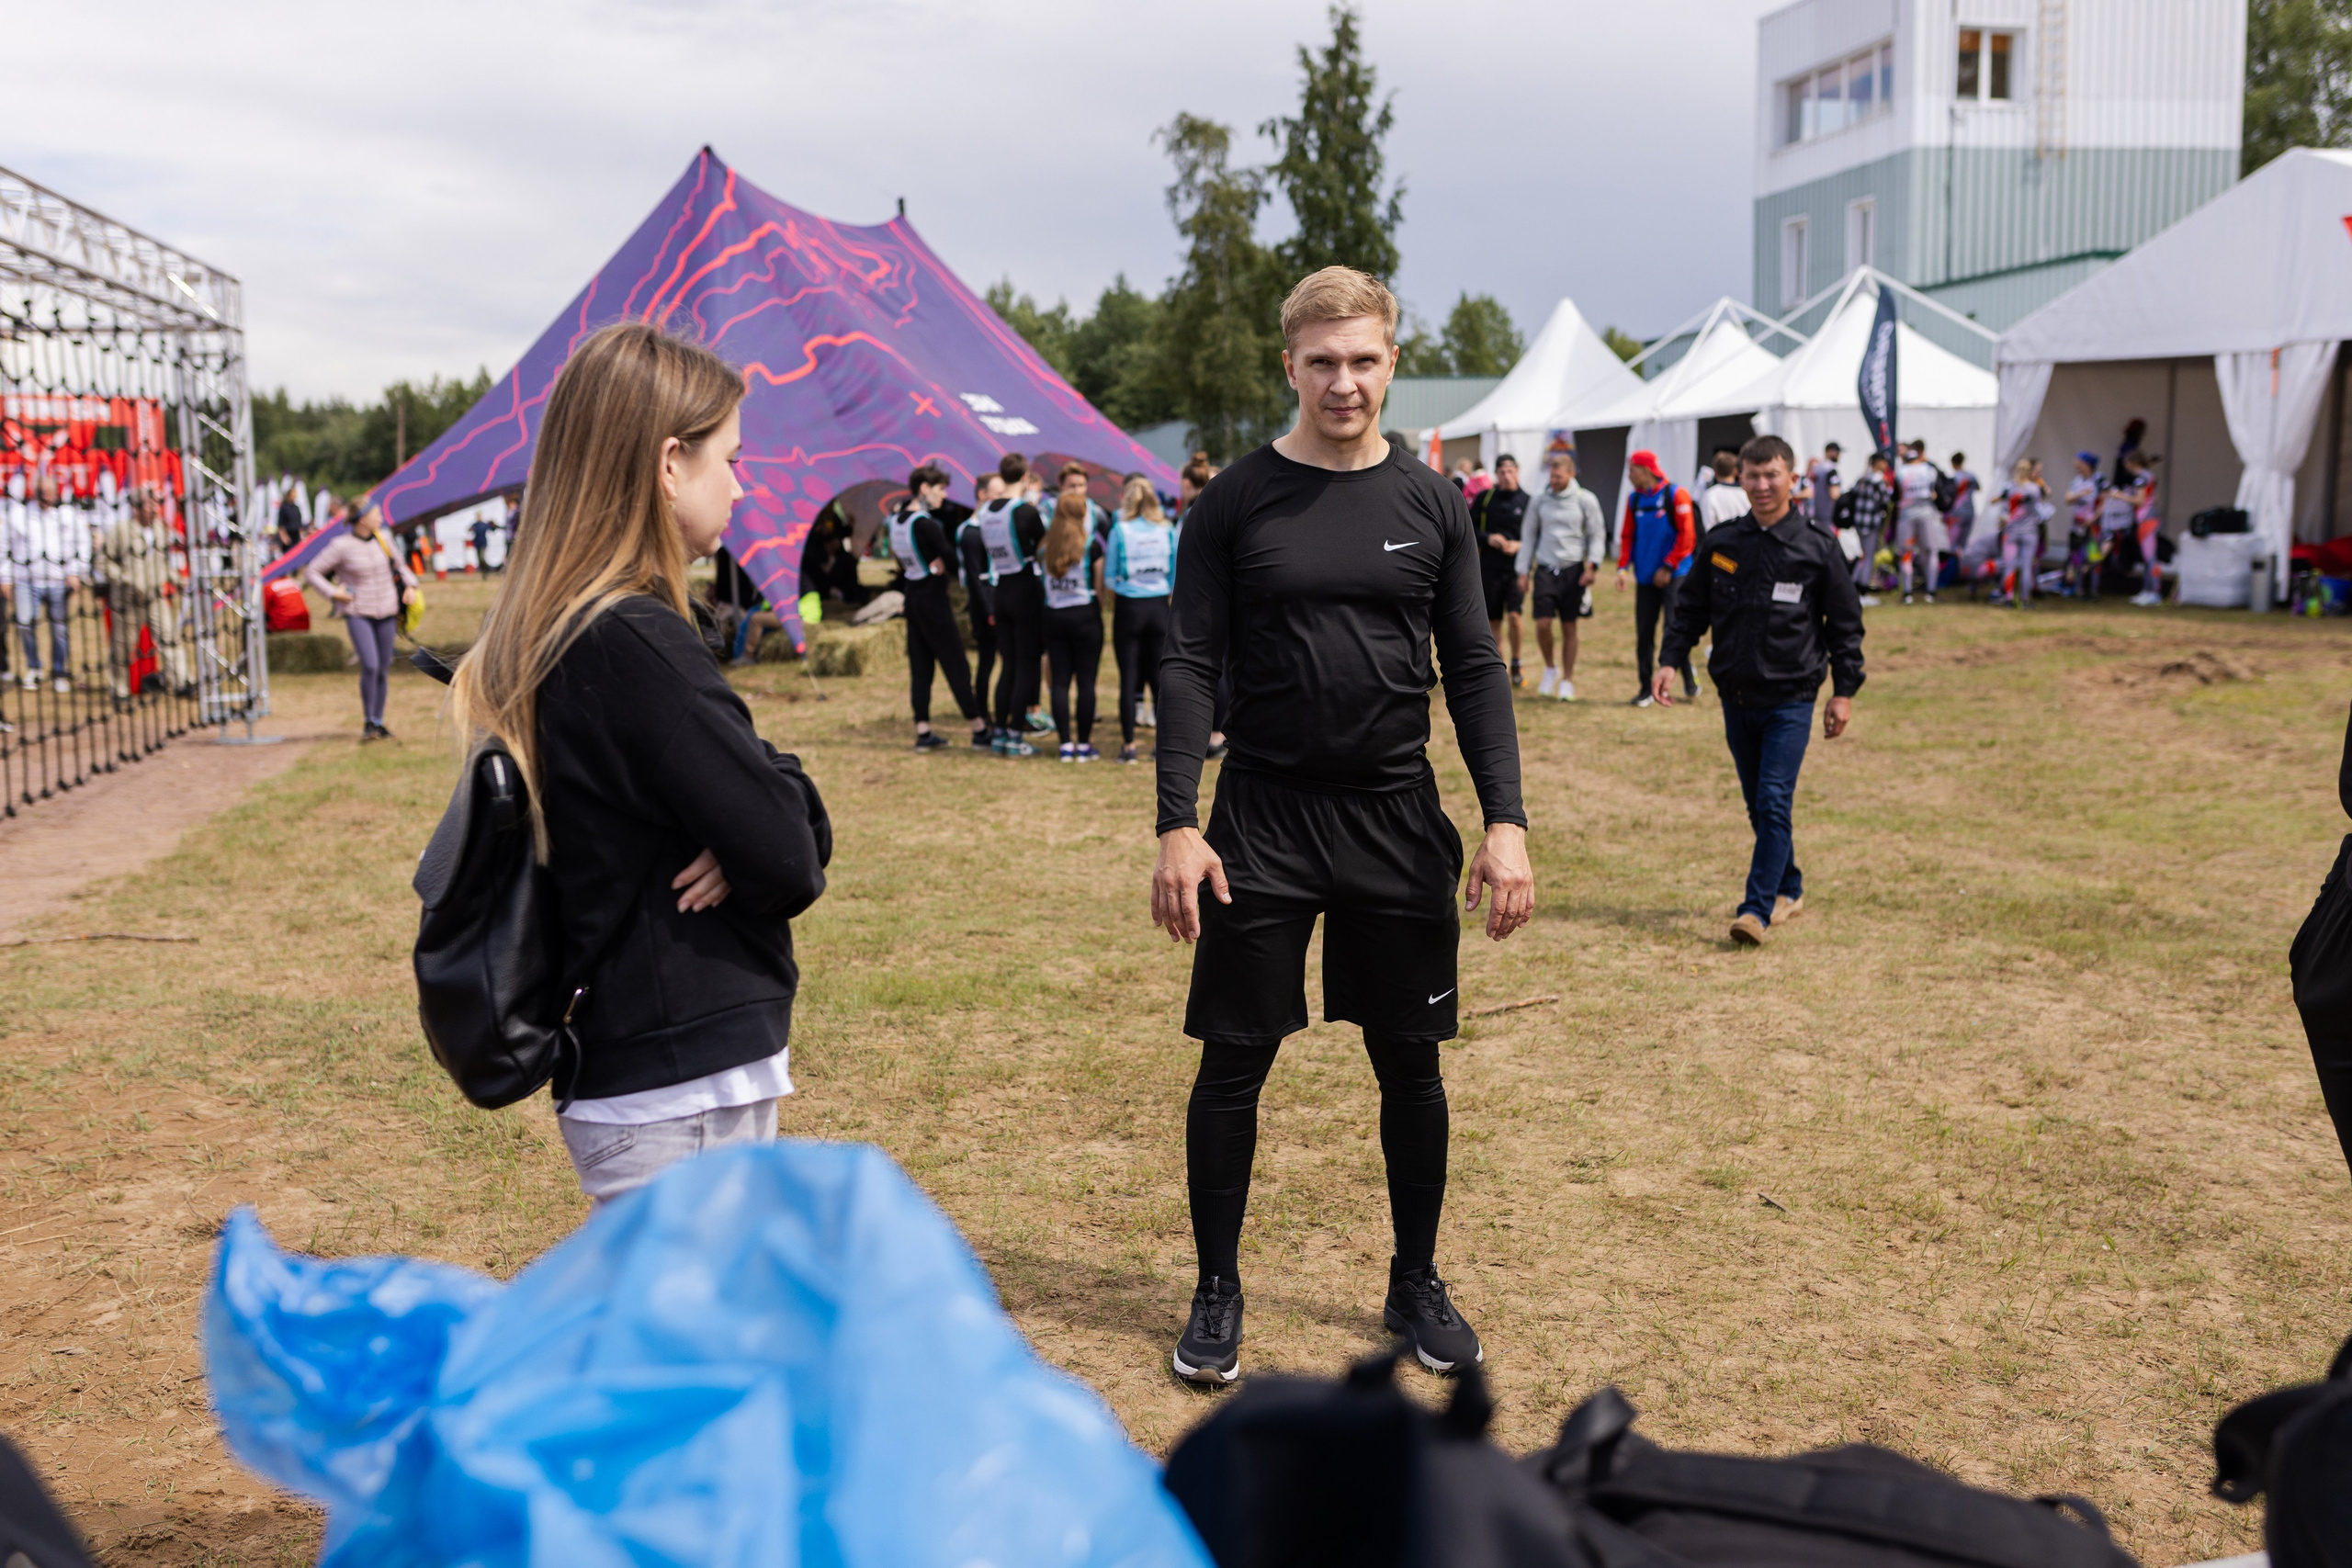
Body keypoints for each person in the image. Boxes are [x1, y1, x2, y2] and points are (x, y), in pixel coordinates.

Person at [1152, 265, 1532, 1383]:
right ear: (1289, 365)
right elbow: (1186, 660)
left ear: (1392, 363)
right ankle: (1217, 1288)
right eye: (1321, 362)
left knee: (1409, 1065)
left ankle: (1414, 1281)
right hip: (1260, 817)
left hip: (1393, 816)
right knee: (1233, 1063)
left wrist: (1504, 819)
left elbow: (1472, 666)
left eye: (1363, 360)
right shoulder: (1231, 504)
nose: (1343, 382)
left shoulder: (1430, 505)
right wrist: (1179, 820)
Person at [448, 321, 830, 1206]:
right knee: (700, 1347)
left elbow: (768, 820)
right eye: (730, 458)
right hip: (678, 1086)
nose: (741, 481)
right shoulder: (633, 640)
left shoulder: (579, 627)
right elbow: (785, 854)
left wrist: (766, 805)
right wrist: (766, 817)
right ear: (668, 465)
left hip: (653, 1071)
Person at [1655, 434, 1865, 946]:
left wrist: (1844, 691)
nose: (1763, 485)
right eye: (1753, 475)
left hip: (1791, 699)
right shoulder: (1724, 542)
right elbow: (1691, 609)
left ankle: (1757, 908)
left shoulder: (1817, 545)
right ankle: (1789, 886)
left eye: (1772, 475)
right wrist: (1668, 660)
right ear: (1740, 478)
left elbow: (1845, 624)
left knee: (1772, 800)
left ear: (1793, 478)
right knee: (1758, 804)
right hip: (1736, 696)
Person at [886, 464, 989, 752]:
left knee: (921, 667)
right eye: (940, 489)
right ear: (924, 489)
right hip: (932, 598)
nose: (944, 495)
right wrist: (940, 565)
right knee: (955, 662)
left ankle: (923, 730)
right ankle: (978, 728)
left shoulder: (896, 521)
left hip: (912, 596)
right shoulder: (927, 524)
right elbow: (953, 563)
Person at [304, 503, 418, 739]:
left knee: (384, 668)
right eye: (376, 514)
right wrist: (333, 593)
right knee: (371, 665)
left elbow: (400, 566)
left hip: (387, 608)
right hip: (358, 611)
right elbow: (312, 572)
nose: (381, 518)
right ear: (362, 519)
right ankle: (368, 722)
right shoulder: (341, 546)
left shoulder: (384, 538)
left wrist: (411, 586)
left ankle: (379, 721)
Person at [1514, 449, 1606, 701]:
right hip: (1545, 569)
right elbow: (1529, 535)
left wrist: (1593, 565)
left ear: (1571, 474)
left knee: (1569, 626)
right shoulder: (1540, 500)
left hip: (1573, 570)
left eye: (1558, 476)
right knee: (1543, 624)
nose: (1553, 481)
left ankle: (1567, 679)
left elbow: (1596, 533)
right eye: (1551, 476)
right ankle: (1550, 668)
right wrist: (1523, 571)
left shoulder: (1584, 499)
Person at [976, 454, 1047, 756]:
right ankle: (1017, 733)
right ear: (1026, 477)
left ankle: (1001, 732)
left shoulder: (985, 511)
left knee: (1007, 664)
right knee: (1027, 664)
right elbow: (1044, 543)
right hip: (1024, 588)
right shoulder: (1024, 511)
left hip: (1000, 588)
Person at [1614, 450, 1696, 706]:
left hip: (1675, 575)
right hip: (1647, 578)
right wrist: (1622, 568)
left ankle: (1687, 680)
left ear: (1647, 470)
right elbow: (1627, 536)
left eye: (1632, 470)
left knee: (1673, 628)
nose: (1629, 475)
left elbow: (1688, 537)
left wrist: (1668, 566)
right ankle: (1644, 688)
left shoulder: (1676, 494)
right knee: (1644, 634)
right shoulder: (1634, 500)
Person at [1106, 475, 1176, 763]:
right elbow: (1175, 574)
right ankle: (1162, 746)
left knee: (1128, 679)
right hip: (1160, 607)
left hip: (1129, 608)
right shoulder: (1167, 529)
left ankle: (1130, 746)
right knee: (1160, 680)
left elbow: (1110, 577)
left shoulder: (1119, 530)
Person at [98, 488, 187, 701]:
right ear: (136, 508)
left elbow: (162, 562)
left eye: (156, 504)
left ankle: (181, 683)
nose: (154, 509)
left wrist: (176, 579)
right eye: (149, 505)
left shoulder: (159, 529)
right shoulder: (120, 531)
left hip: (155, 596)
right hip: (128, 599)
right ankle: (119, 689)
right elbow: (102, 561)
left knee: (169, 639)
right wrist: (122, 578)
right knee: (122, 646)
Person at [1038, 491, 1106, 761]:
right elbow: (1099, 589)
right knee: (1087, 683)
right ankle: (1085, 745)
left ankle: (1066, 744)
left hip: (1054, 615)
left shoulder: (1044, 547)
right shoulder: (1091, 545)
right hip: (1085, 616)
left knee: (1061, 682)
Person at [9, 470, 86, 694]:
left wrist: (76, 572)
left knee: (59, 629)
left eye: (53, 492)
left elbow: (81, 544)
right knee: (25, 623)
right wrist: (5, 578)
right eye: (45, 493)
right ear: (36, 493)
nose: (50, 497)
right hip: (26, 579)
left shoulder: (68, 515)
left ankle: (59, 671)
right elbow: (6, 547)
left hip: (58, 581)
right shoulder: (19, 515)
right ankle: (34, 667)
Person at [1473, 454, 1530, 682]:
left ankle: (1517, 662)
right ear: (1496, 474)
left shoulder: (1527, 501)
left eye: (1510, 471)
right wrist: (1489, 538)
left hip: (1516, 569)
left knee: (1515, 615)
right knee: (1493, 620)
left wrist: (1521, 546)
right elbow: (1469, 527)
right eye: (1502, 472)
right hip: (1489, 567)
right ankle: (1500, 667)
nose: (1507, 476)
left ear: (1517, 471)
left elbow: (1536, 535)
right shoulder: (1485, 499)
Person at [957, 470, 1005, 732]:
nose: (1001, 499)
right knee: (987, 661)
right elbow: (975, 579)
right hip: (985, 606)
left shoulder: (993, 527)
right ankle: (983, 713)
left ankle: (1002, 711)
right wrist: (989, 610)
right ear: (982, 495)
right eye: (997, 494)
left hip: (997, 600)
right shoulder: (970, 533)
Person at [1891, 440, 1947, 604]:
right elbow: (1939, 492)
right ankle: (1931, 592)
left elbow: (1895, 496)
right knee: (1931, 552)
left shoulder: (1901, 472)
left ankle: (1907, 593)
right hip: (1927, 514)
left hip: (1907, 516)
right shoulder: (1929, 470)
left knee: (1906, 554)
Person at [1845, 451, 1895, 600]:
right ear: (1878, 463)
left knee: (1863, 556)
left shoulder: (1862, 479)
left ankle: (1853, 586)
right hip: (1871, 523)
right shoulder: (1878, 480)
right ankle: (1862, 590)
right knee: (1868, 557)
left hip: (1859, 522)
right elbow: (1885, 501)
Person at [1996, 457, 2046, 608]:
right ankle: (2025, 599)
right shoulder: (2034, 488)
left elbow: (2002, 506)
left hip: (2011, 532)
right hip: (2030, 532)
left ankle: (2010, 599)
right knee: (2026, 567)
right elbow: (2040, 509)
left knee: (2010, 566)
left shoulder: (2010, 487)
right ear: (2030, 472)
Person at [2125, 453, 2165, 605]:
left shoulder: (2142, 477)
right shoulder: (2147, 476)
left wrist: (2119, 495)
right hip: (2146, 519)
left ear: (2132, 462)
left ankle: (2154, 592)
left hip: (2147, 519)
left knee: (2150, 558)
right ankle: (2147, 591)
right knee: (2147, 558)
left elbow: (2140, 500)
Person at [1700, 448, 1751, 528]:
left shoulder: (1710, 495)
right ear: (1736, 471)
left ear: (1715, 472)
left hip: (1719, 539)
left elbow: (1707, 525)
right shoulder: (1747, 493)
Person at [1804, 443, 1841, 525]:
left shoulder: (1817, 468)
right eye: (1837, 452)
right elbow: (1834, 494)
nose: (1839, 455)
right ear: (1829, 452)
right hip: (1827, 516)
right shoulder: (1831, 470)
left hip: (1813, 513)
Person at [275, 483, 307, 555]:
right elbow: (281, 524)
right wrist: (284, 537)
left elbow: (299, 524)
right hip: (288, 536)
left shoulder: (296, 508)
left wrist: (302, 535)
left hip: (296, 536)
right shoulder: (284, 507)